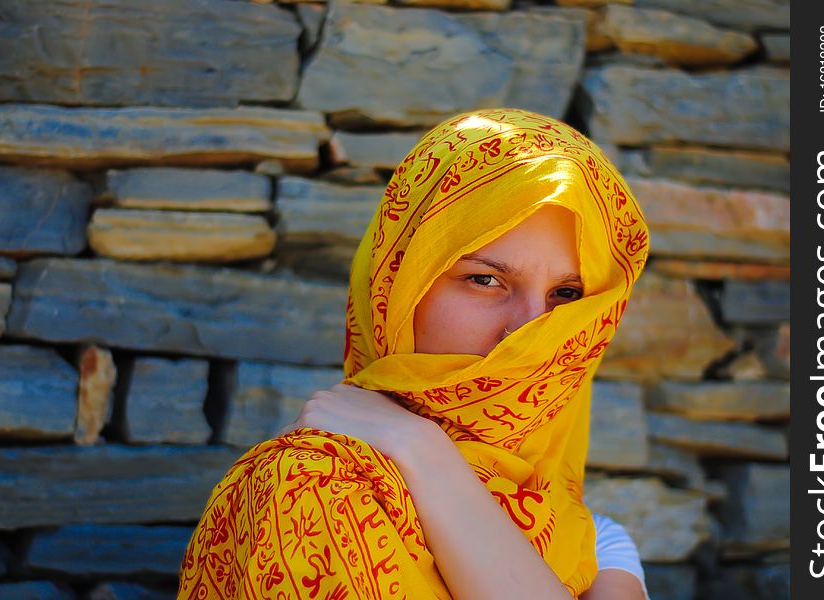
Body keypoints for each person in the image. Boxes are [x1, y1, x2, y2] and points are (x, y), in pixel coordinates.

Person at [179, 108, 650, 599]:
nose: (529, 329)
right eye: (485, 279)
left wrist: (422, 450)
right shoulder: (305, 485)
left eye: (567, 295)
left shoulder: (590, 540)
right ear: (399, 290)